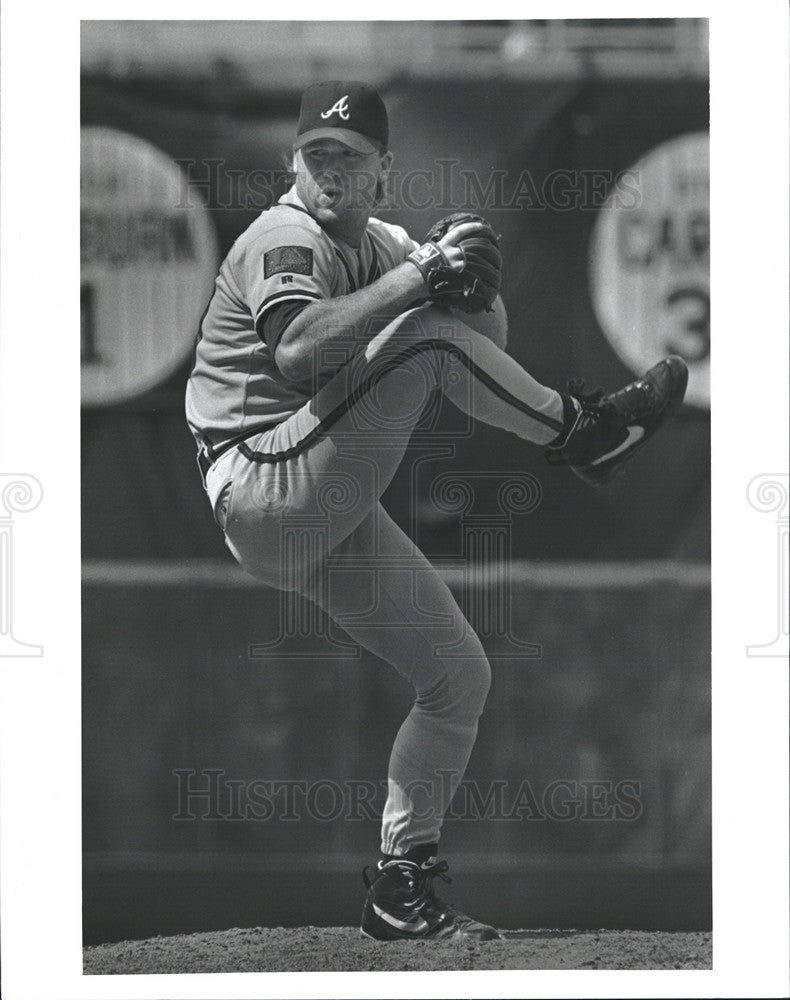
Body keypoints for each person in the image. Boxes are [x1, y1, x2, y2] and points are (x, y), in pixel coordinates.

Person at [185, 80, 688, 942]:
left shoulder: (382, 242)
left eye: (350, 157)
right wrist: (421, 283)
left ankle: (399, 883)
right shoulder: (283, 235)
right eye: (318, 156)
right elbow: (300, 347)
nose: (331, 171)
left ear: (383, 170)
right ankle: (586, 434)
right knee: (419, 335)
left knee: (459, 676)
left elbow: (479, 345)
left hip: (320, 507)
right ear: (292, 164)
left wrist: (469, 286)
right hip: (260, 480)